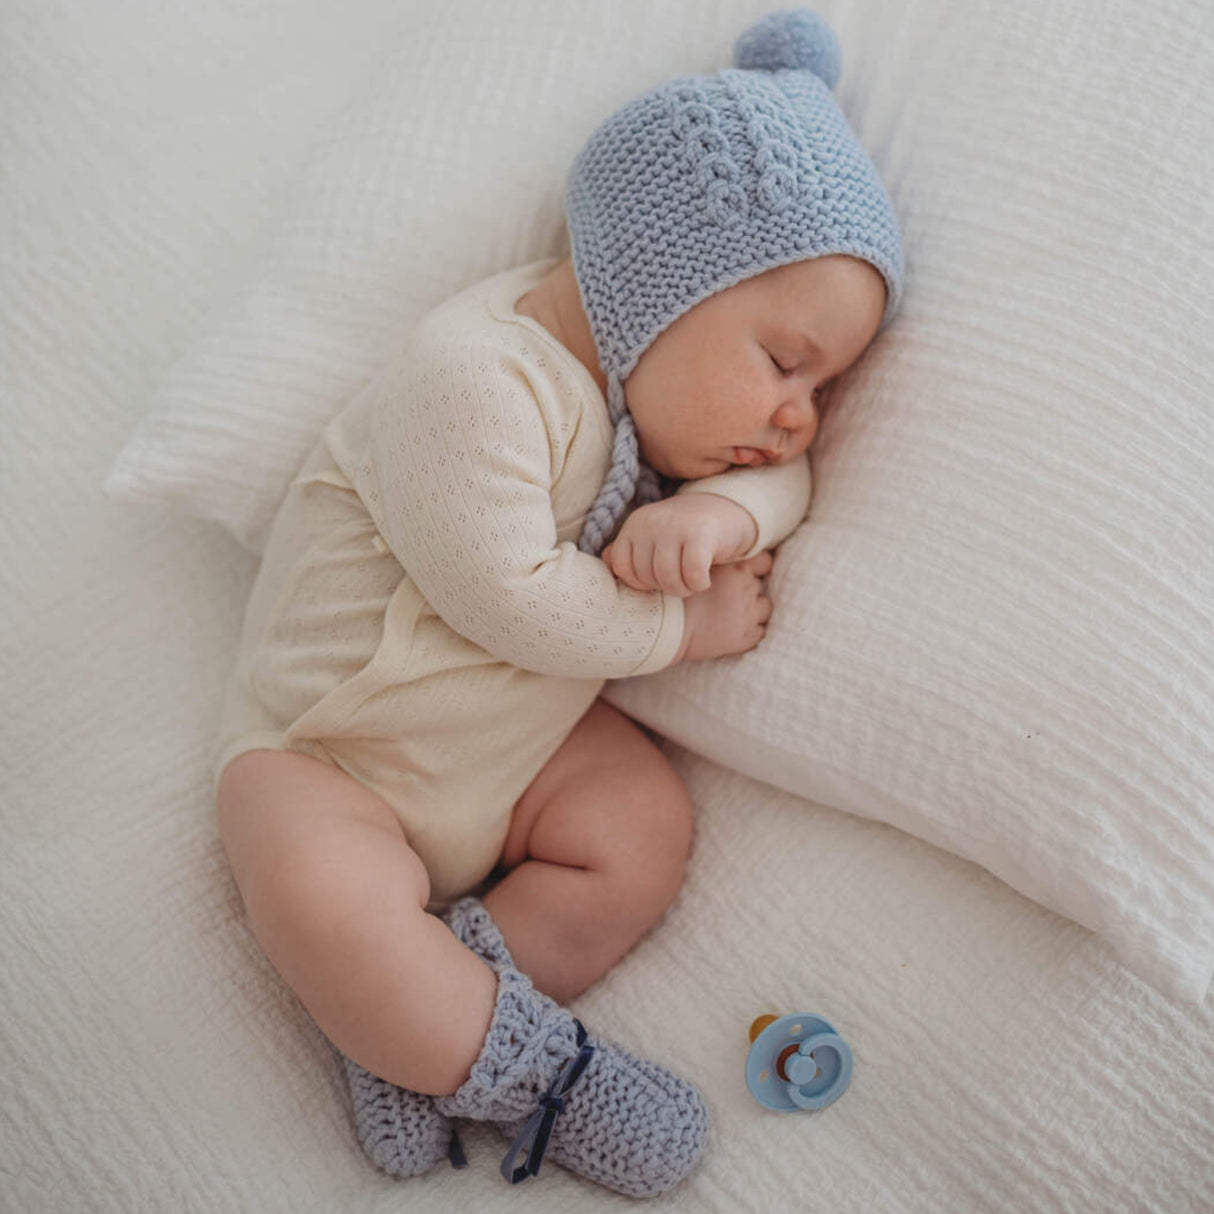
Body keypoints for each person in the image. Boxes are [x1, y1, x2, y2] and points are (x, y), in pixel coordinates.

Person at [213, 7, 903, 1199]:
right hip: (333, 755)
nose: (799, 417)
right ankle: (536, 1073)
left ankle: (430, 1015)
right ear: (664, 279)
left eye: (824, 387)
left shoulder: (661, 414)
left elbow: (783, 476)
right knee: (317, 890)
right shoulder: (472, 373)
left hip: (517, 748)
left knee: (638, 827)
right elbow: (509, 601)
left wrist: (725, 515)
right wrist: (679, 626)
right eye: (787, 361)